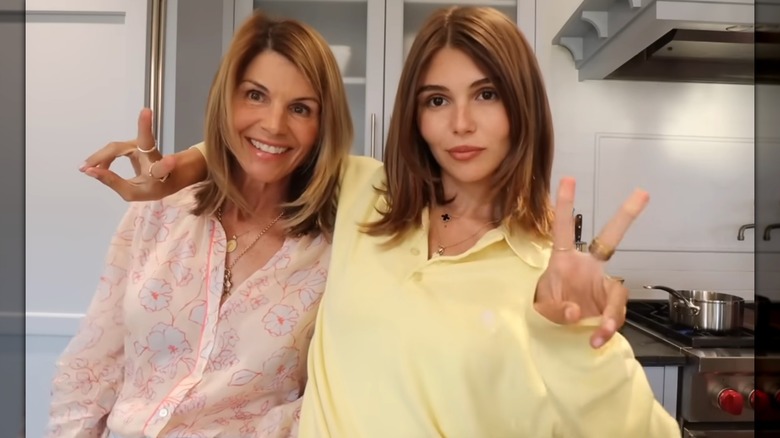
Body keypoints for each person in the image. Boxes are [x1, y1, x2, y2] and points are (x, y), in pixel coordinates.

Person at [80, 6, 681, 437]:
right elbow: (272, 141)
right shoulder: (368, 195)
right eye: (437, 99)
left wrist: (578, 340)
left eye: (487, 94)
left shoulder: (544, 274)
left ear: (523, 107)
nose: (461, 123)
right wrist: (184, 166)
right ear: (415, 117)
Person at [48, 11, 352, 437]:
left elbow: (327, 402)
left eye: (300, 108)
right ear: (225, 100)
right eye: (255, 96)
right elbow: (92, 364)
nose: (274, 124)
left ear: (323, 127)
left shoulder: (336, 251)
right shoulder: (159, 211)